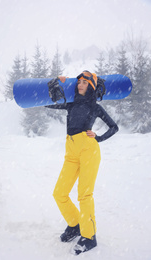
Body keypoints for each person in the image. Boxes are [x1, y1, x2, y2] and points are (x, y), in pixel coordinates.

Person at [48, 71, 118, 255]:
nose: (80, 84)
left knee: (84, 195)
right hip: (71, 151)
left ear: (91, 87)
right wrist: (54, 84)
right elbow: (48, 104)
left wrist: (99, 138)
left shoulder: (94, 106)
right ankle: (75, 225)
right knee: (59, 193)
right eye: (79, 81)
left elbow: (114, 127)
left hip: (88, 150)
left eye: (85, 82)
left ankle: (89, 236)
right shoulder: (71, 104)